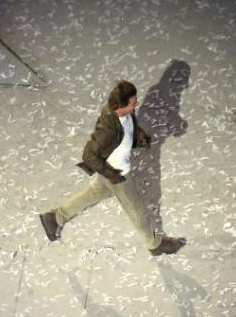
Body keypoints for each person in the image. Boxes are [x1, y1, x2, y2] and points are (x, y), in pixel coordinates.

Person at [38, 80, 186, 255]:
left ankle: (54, 218)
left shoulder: (125, 115)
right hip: (118, 174)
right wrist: (112, 174)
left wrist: (140, 138)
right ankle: (155, 245)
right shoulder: (108, 130)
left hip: (112, 171)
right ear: (121, 105)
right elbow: (89, 155)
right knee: (138, 211)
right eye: (133, 102)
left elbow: (130, 128)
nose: (136, 104)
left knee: (93, 194)